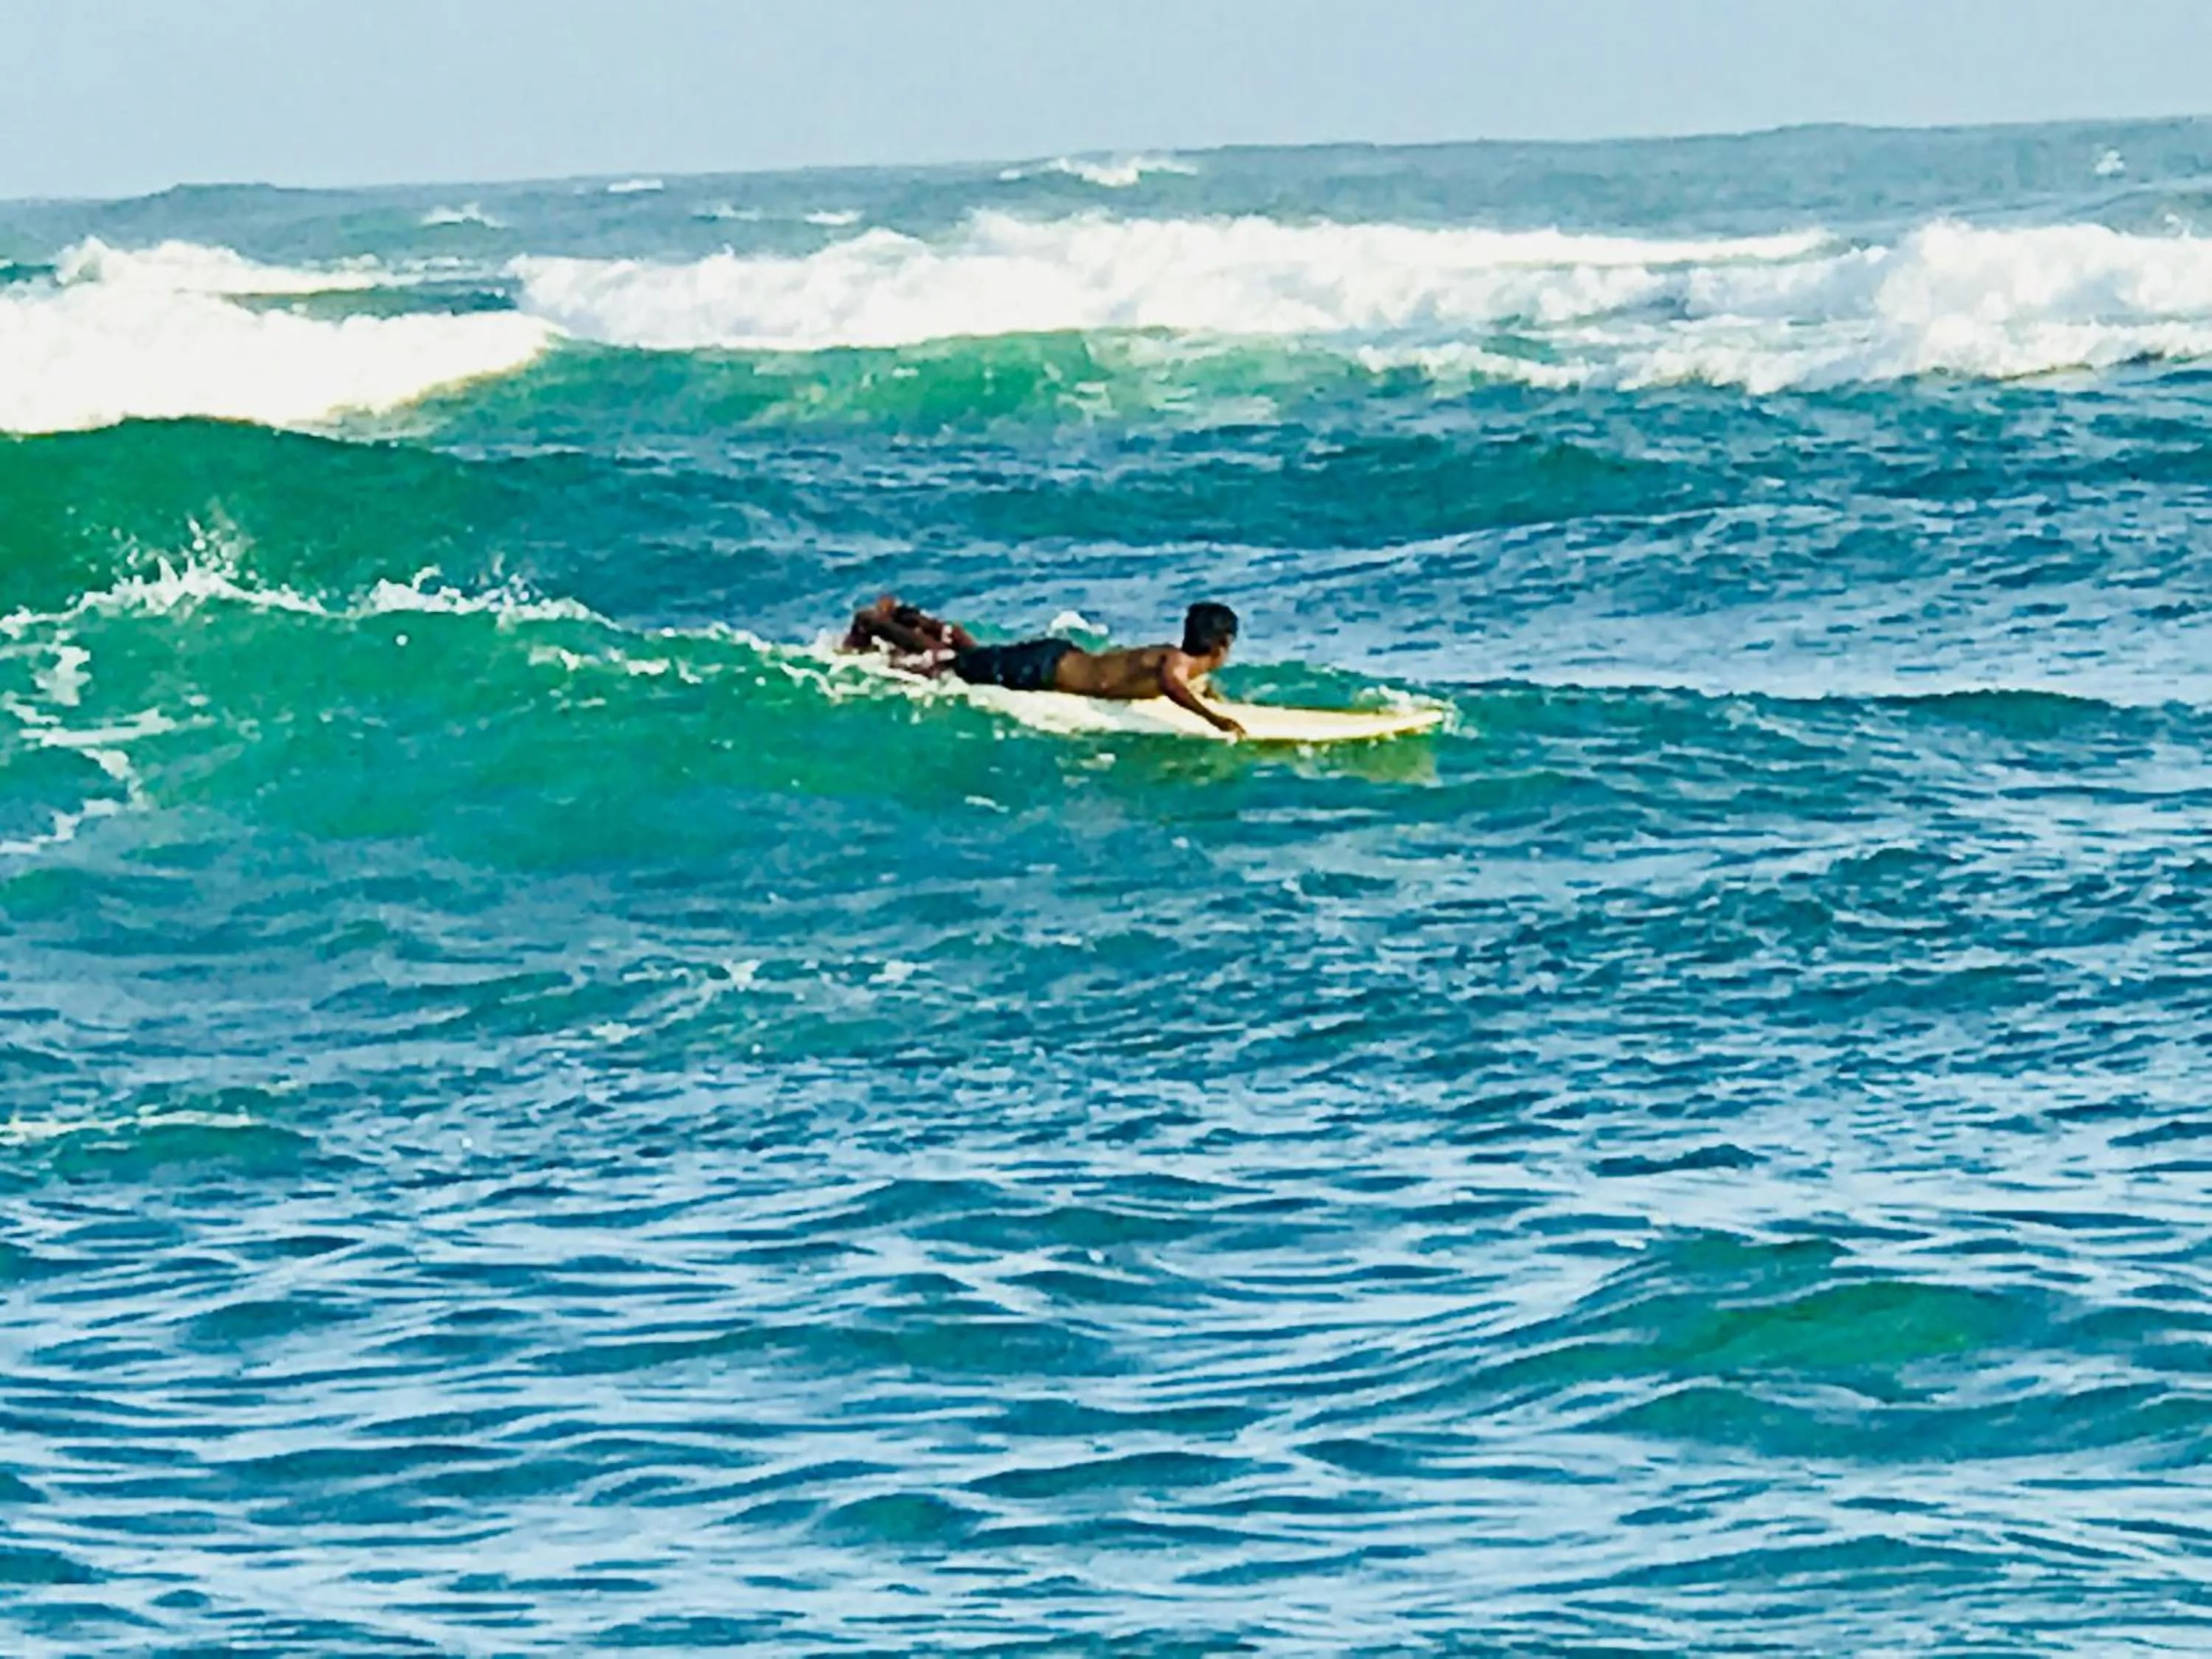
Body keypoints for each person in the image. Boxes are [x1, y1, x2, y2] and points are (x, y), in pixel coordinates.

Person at [843, 597, 1247, 737]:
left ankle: (919, 619)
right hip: (1045, 669)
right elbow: (1171, 685)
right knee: (952, 665)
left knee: (976, 656)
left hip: (1056, 660)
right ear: (1223, 644)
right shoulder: (1174, 663)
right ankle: (876, 624)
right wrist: (1215, 721)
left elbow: (1185, 683)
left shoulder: (1182, 662)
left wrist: (1213, 698)